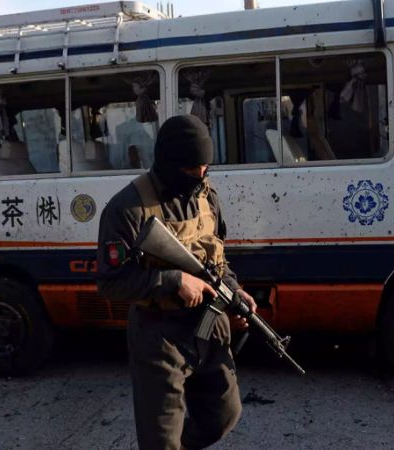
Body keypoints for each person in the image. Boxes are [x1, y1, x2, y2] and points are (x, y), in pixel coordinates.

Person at [96, 115, 257, 450]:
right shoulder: (127, 208)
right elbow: (111, 283)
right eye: (191, 170)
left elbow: (217, 260)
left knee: (223, 416)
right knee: (161, 439)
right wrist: (173, 280)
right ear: (169, 162)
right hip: (160, 334)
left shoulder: (207, 195)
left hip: (209, 326)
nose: (200, 176)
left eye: (205, 168)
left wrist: (236, 291)